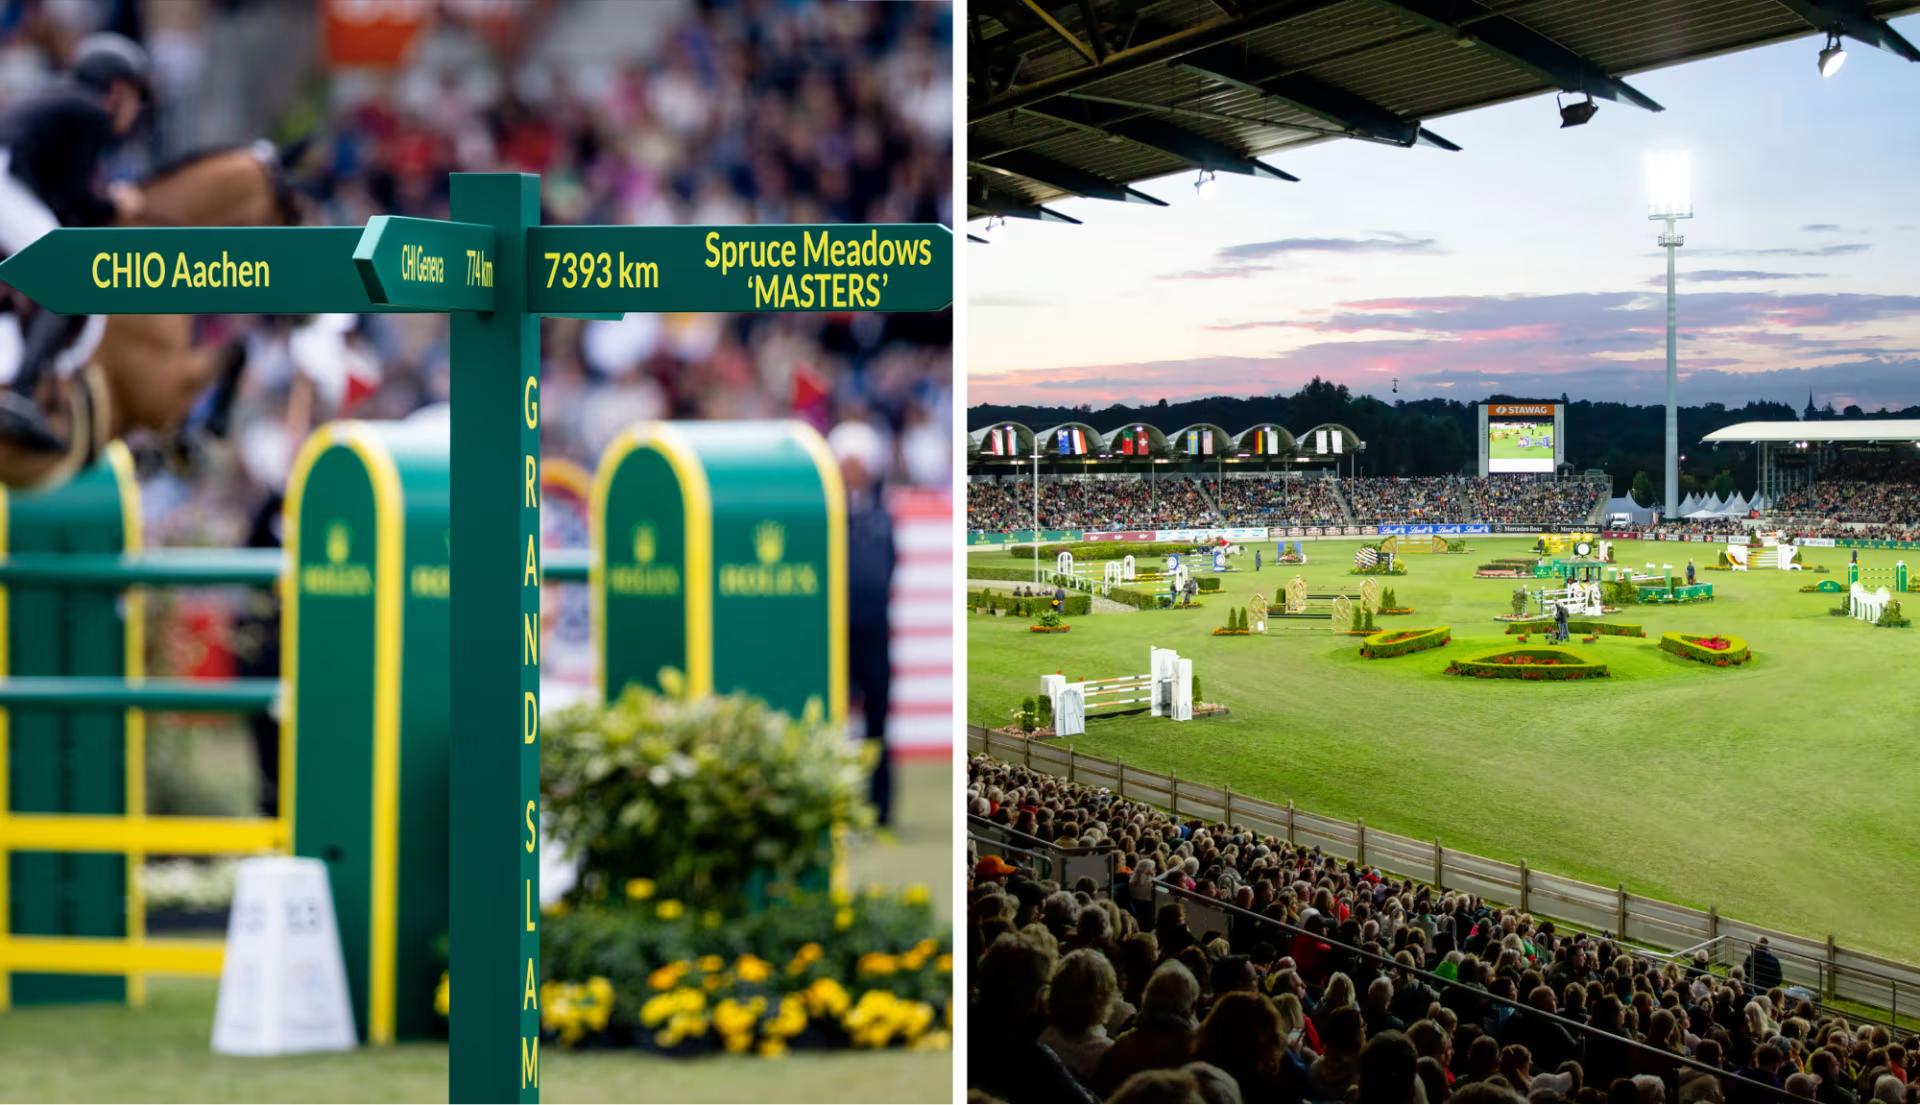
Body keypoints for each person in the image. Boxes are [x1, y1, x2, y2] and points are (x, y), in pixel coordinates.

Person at [0, 33, 151, 452]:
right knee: (65, 278)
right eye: (135, 97)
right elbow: (72, 199)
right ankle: (21, 394)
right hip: (5, 187)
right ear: (116, 90)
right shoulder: (91, 113)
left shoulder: (64, 101)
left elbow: (56, 195)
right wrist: (115, 205)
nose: (136, 110)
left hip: (11, 183)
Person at [831, 421, 896, 825]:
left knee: (877, 723)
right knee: (834, 722)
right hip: (835, 635)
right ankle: (836, 801)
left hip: (873, 633)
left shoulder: (881, 517)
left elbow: (886, 570)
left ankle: (879, 807)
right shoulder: (827, 515)